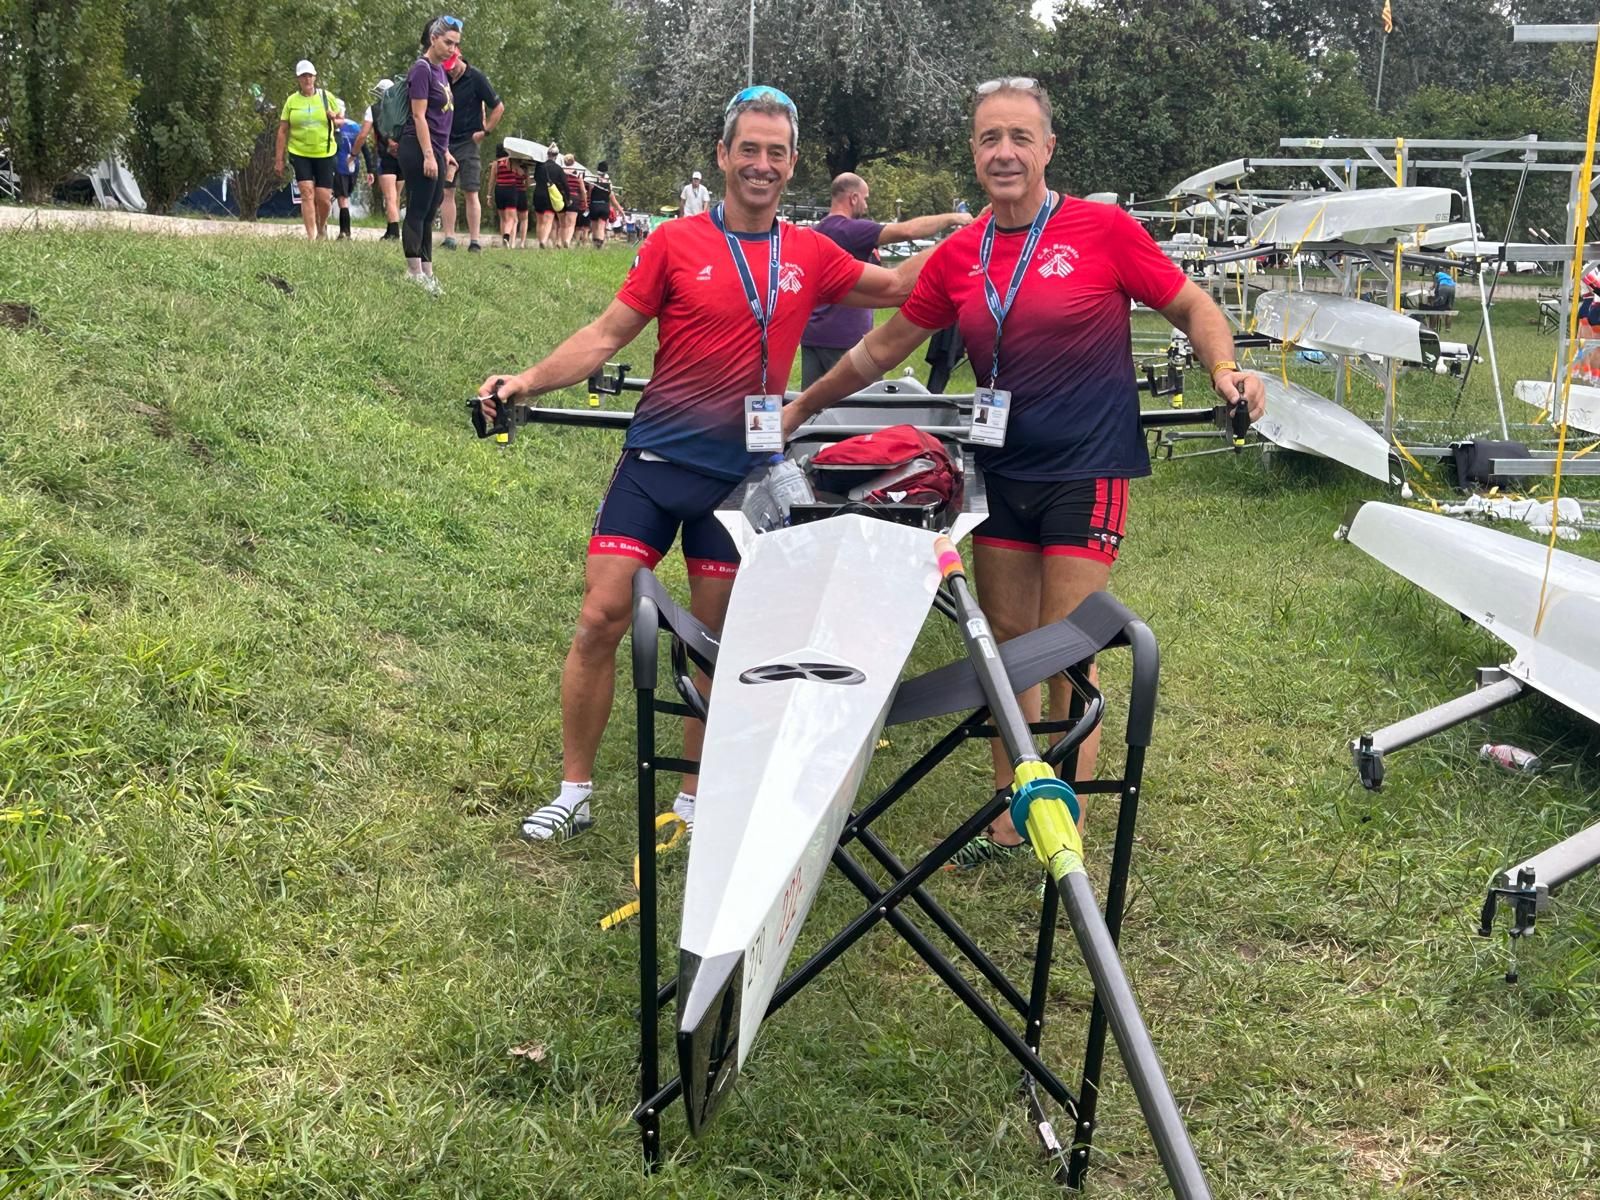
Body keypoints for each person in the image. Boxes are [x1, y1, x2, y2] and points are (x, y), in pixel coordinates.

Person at [783, 77, 1266, 867]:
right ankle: (1014, 814)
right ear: (974, 153)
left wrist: (1225, 370)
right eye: (987, 139)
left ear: (1047, 147)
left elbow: (1192, 306)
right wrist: (802, 410)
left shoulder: (1101, 230)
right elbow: (881, 348)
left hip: (1086, 466)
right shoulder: (962, 253)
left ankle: (1062, 830)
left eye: (1018, 137)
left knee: (1067, 649)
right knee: (1005, 645)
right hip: (998, 471)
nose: (1003, 152)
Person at [475, 86, 942, 844]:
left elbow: (896, 287)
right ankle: (574, 791)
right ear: (723, 156)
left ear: (792, 166)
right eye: (748, 149)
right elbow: (604, 335)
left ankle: (692, 798)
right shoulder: (674, 244)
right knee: (601, 618)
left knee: (714, 644)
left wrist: (984, 235)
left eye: (776, 153)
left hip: (742, 480)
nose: (761, 165)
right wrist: (526, 379)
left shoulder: (809, 251)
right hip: (658, 462)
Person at [800, 172, 972, 386]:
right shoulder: (848, 230)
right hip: (843, 339)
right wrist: (956, 219)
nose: (866, 205)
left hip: (813, 335)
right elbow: (908, 231)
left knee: (815, 410)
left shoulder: (821, 228)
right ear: (853, 198)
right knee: (868, 407)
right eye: (865, 198)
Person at [398, 17, 459, 293]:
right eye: (448, 42)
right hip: (418, 147)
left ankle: (427, 271)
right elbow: (419, 116)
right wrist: (428, 155)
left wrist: (444, 152)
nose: (452, 49)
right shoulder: (421, 70)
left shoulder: (440, 72)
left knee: (430, 209)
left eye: (456, 45)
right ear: (433, 38)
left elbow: (440, 118)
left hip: (436, 149)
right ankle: (413, 271)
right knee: (418, 209)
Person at [438, 55, 504, 252]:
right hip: (447, 142)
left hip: (469, 141)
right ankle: (449, 237)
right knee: (447, 190)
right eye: (447, 68)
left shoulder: (476, 77)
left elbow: (498, 107)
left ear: (459, 57)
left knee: (471, 191)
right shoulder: (443, 77)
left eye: (453, 67)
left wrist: (485, 132)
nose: (450, 71)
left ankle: (474, 241)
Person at [275, 60, 341, 242]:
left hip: (325, 152)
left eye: (310, 76)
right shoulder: (291, 101)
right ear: (298, 79)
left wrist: (334, 118)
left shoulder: (326, 97)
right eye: (303, 76)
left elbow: (342, 121)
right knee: (306, 192)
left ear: (315, 77)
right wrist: (279, 159)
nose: (307, 79)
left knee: (324, 198)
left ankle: (321, 227)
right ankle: (311, 236)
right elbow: (282, 130)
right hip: (299, 152)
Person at [353, 80, 402, 239]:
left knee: (389, 197)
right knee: (396, 196)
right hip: (403, 155)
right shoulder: (403, 108)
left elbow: (362, 135)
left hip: (386, 156)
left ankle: (394, 232)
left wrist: (354, 153)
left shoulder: (373, 109)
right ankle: (391, 229)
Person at [331, 109, 371, 240]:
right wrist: (370, 170)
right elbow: (364, 148)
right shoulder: (355, 126)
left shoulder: (333, 126)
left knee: (342, 199)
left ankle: (344, 231)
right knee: (344, 198)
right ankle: (345, 232)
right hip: (354, 167)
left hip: (340, 166)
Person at [493, 144, 530, 248]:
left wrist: (489, 195)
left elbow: (492, 180)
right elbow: (526, 183)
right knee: (520, 219)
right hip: (517, 192)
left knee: (504, 219)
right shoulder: (516, 164)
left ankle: (506, 242)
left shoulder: (497, 163)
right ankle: (519, 243)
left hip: (500, 190)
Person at [532, 140, 562, 248]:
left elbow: (535, 178)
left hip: (537, 194)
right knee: (548, 220)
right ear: (556, 156)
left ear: (547, 154)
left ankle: (540, 240)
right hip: (549, 196)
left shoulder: (539, 166)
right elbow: (563, 184)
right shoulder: (558, 169)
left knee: (540, 221)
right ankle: (543, 241)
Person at [586, 161, 615, 249]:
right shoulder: (608, 182)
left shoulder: (593, 180)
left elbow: (589, 194)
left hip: (594, 204)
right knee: (601, 226)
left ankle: (595, 242)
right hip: (604, 205)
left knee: (594, 225)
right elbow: (611, 194)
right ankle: (600, 242)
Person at [560, 153, 586, 248]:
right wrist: (584, 201)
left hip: (562, 197)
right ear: (574, 162)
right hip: (574, 198)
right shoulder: (577, 173)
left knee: (562, 223)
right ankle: (567, 240)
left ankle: (561, 241)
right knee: (571, 223)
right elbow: (583, 190)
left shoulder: (561, 172)